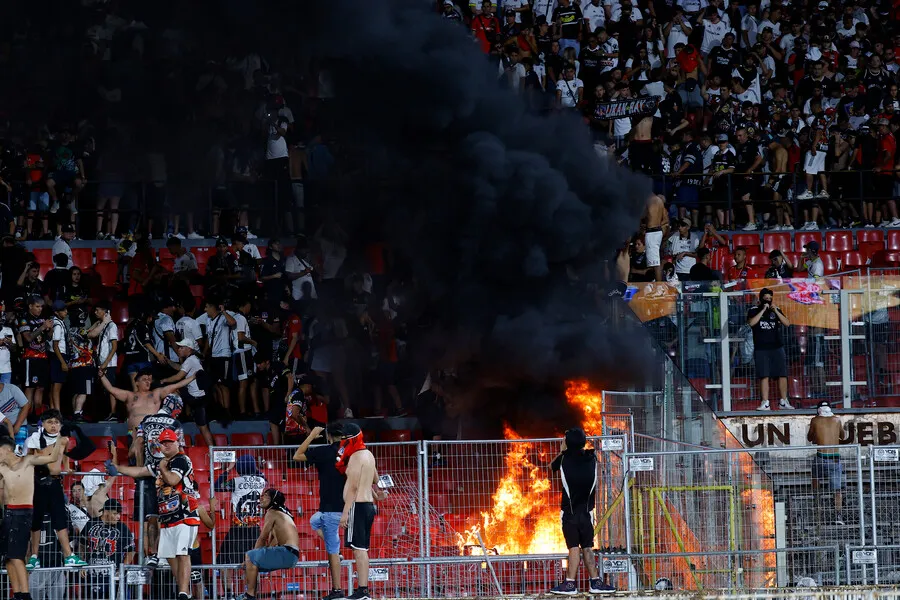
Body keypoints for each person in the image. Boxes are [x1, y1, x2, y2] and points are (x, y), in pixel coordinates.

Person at [106, 428, 199, 600]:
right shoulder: (159, 463)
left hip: (184, 516)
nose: (166, 446)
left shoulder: (181, 460)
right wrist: (117, 468)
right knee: (170, 557)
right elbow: (140, 471)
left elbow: (172, 480)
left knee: (182, 554)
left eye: (170, 442)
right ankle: (185, 592)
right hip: (166, 518)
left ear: (177, 442)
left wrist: (162, 467)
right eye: (163, 443)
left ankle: (183, 594)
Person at [548, 427, 616, 596]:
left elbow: (551, 466)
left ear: (567, 443)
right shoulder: (591, 458)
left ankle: (570, 584)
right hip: (587, 513)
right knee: (587, 547)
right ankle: (595, 582)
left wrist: (562, 450)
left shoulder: (563, 459)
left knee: (573, 547)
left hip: (569, 513)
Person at [0, 434, 68, 600]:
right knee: (7, 557)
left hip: (23, 513)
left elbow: (51, 458)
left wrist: (58, 442)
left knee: (16, 556)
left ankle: (25, 594)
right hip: (8, 512)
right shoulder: (2, 467)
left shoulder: (28, 461)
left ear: (6, 449)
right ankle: (17, 594)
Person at [25, 410, 89, 570]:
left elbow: (65, 455)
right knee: (36, 521)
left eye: (56, 422)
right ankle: (34, 556)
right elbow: (28, 460)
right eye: (50, 422)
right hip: (38, 483)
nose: (53, 426)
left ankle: (69, 556)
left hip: (54, 483)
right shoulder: (34, 439)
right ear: (43, 424)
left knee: (60, 520)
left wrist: (66, 467)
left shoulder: (64, 439)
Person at [294, 424, 346, 600]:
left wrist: (311, 436)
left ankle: (337, 590)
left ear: (328, 436)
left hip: (331, 510)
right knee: (314, 521)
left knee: (332, 551)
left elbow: (297, 455)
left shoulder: (324, 451)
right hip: (346, 506)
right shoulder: (350, 452)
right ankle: (337, 551)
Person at [338, 423, 385, 600]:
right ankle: (363, 590)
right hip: (368, 505)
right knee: (362, 549)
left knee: (359, 550)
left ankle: (363, 591)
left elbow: (354, 487)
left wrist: (345, 513)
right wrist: (377, 495)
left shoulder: (356, 457)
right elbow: (374, 478)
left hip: (357, 506)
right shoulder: (369, 454)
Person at [214, 454, 267, 599]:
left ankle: (229, 595)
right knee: (253, 563)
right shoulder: (261, 481)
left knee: (224, 561)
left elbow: (217, 486)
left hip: (238, 530)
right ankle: (252, 595)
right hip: (255, 530)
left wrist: (228, 470)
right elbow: (261, 474)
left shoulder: (236, 482)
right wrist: (254, 468)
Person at [239, 488, 300, 600]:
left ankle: (249, 595)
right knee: (253, 565)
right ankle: (251, 594)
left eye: (266, 495)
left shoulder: (272, 512)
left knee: (250, 556)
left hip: (286, 552)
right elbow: (274, 541)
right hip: (292, 555)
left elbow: (262, 538)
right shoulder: (282, 514)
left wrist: (252, 557)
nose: (261, 497)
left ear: (273, 500)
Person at [159, 338, 215, 447]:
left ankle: (175, 415)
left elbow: (178, 376)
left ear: (189, 349)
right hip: (196, 396)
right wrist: (169, 361)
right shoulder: (191, 359)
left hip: (197, 398)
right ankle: (184, 413)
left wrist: (164, 380)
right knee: (202, 427)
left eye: (181, 347)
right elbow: (181, 368)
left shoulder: (191, 360)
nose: (178, 349)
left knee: (203, 427)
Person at [78, 499, 136, 599]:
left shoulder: (122, 528)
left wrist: (121, 569)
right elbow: (82, 544)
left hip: (113, 576)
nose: (118, 517)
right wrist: (82, 563)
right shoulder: (91, 523)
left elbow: (131, 551)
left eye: (119, 514)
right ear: (106, 512)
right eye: (115, 514)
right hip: (92, 574)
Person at [747, 288, 793, 411]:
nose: (768, 300)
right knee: (764, 375)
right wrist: (762, 310)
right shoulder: (753, 310)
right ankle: (765, 402)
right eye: (766, 298)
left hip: (777, 347)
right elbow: (751, 323)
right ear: (761, 299)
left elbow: (787, 323)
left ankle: (784, 401)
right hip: (761, 348)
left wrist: (776, 311)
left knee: (782, 374)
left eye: (770, 298)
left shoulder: (776, 310)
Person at [808, 401, 844, 524]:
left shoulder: (815, 420)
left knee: (816, 483)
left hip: (820, 457)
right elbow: (843, 436)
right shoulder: (837, 420)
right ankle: (838, 516)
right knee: (837, 490)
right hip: (835, 458)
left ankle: (817, 513)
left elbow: (809, 437)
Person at [48, 299, 70, 412]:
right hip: (58, 356)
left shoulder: (59, 322)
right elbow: (55, 346)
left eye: (66, 309)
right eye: (63, 310)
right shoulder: (57, 325)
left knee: (54, 386)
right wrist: (63, 362)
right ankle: (57, 412)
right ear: (56, 312)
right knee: (57, 386)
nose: (66, 312)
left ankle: (53, 411)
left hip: (57, 356)